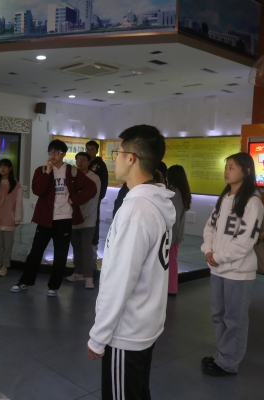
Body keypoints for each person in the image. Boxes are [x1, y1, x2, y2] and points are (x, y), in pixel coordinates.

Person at [87, 125, 175, 400]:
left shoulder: (136, 210)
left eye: (118, 153)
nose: (115, 159)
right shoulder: (153, 203)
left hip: (125, 331)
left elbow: (119, 279)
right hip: (143, 323)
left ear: (131, 158)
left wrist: (99, 336)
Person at [200, 153, 264, 377]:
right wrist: (208, 251)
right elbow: (210, 227)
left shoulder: (252, 201)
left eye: (232, 167)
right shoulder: (225, 197)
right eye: (226, 167)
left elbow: (246, 240)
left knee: (234, 320)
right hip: (218, 269)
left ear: (246, 171)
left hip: (238, 272)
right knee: (218, 315)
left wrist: (219, 256)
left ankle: (228, 363)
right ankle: (222, 355)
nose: (226, 171)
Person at [10, 140, 97, 297]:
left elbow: (91, 188)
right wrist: (47, 173)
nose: (53, 155)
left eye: (56, 152)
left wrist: (74, 199)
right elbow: (37, 190)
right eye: (51, 152)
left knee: (60, 254)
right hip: (45, 218)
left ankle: (54, 286)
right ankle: (24, 281)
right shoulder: (42, 170)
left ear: (63, 154)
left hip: (64, 218)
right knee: (36, 252)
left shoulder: (71, 171)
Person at [67, 152, 101, 288]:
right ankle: (78, 272)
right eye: (77, 160)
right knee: (76, 246)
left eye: (82, 160)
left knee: (86, 248)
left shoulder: (94, 178)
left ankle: (89, 277)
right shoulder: (72, 177)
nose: (79, 162)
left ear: (88, 162)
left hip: (88, 219)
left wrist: (84, 214)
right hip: (73, 217)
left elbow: (94, 199)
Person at [0, 159, 23, 277]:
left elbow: (18, 203)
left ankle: (5, 266)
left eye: (5, 166)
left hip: (9, 219)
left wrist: (17, 218)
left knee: (7, 246)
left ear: (10, 168)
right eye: (0, 166)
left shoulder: (16, 185)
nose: (2, 168)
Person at [167, 165, 192, 295]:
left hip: (173, 235)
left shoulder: (175, 193)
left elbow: (174, 218)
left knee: (171, 261)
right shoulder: (182, 192)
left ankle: (171, 288)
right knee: (172, 260)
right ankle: (171, 287)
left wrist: (170, 239)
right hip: (175, 235)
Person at [86, 140, 108, 269]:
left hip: (95, 199)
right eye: (88, 149)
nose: (90, 152)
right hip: (83, 199)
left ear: (96, 150)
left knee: (94, 222)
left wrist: (100, 198)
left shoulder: (100, 165)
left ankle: (93, 246)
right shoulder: (85, 162)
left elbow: (104, 182)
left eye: (92, 149)